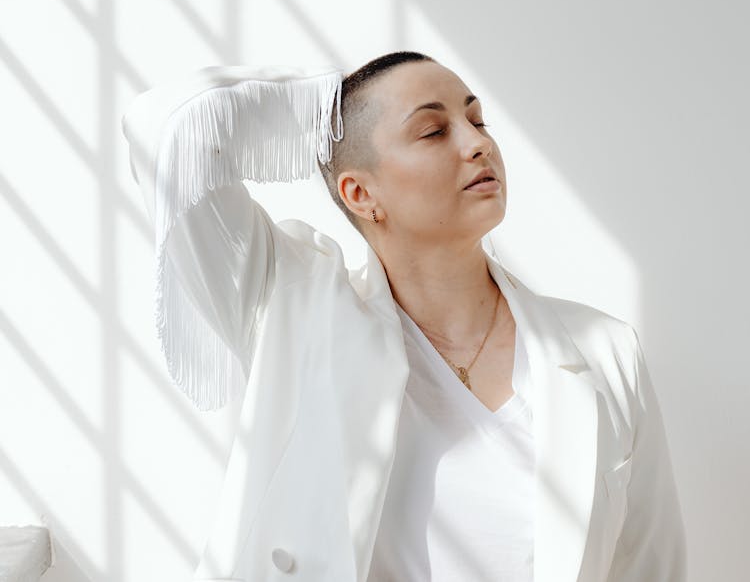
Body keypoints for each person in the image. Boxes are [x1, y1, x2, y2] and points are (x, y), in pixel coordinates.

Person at [121, 50, 687, 581]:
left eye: (479, 121)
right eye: (434, 130)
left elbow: (650, 565)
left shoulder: (605, 350)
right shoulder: (294, 306)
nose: (477, 144)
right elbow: (158, 126)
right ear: (360, 193)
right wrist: (330, 106)